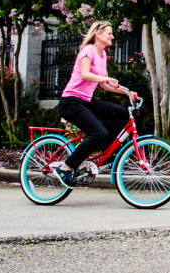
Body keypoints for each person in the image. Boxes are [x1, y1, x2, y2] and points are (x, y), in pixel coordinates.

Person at [53, 20, 139, 187]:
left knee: (120, 112)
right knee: (98, 133)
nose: (112, 36)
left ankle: (109, 153)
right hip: (71, 101)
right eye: (109, 33)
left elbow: (104, 84)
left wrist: (127, 92)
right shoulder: (88, 50)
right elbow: (85, 75)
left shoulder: (103, 55)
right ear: (98, 34)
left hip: (86, 101)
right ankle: (65, 168)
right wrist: (105, 78)